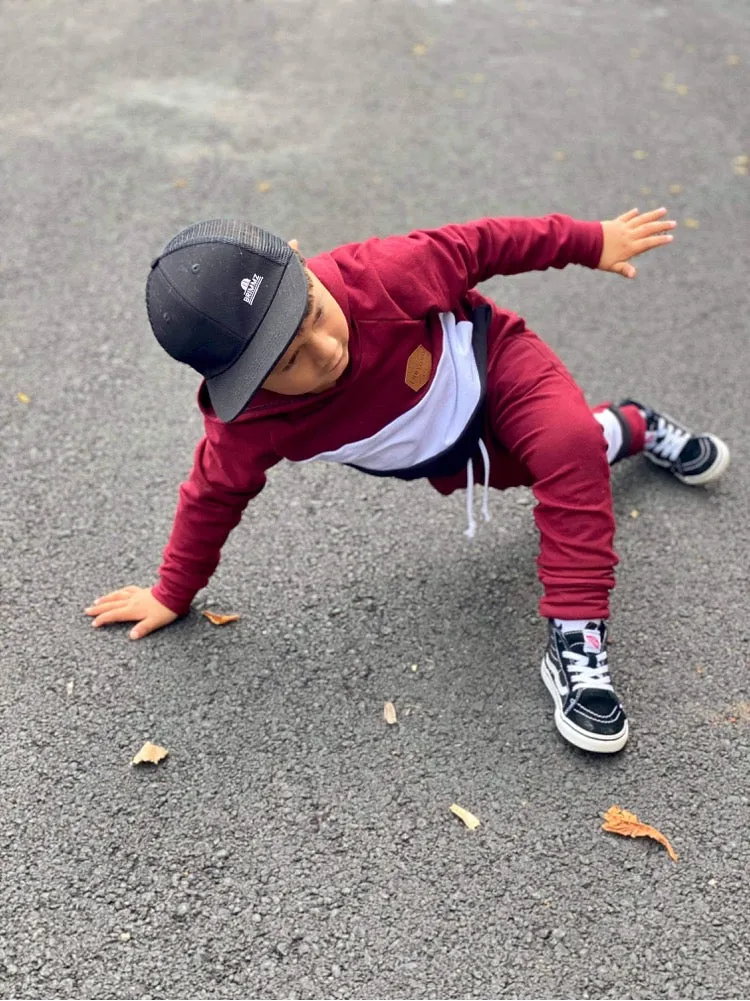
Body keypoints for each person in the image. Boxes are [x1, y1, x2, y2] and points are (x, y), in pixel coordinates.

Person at [85, 208, 730, 754]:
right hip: (446, 452)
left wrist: (591, 242)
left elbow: (483, 243)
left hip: (492, 361)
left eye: (313, 312)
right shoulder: (252, 426)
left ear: (300, 261)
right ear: (241, 388)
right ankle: (633, 426)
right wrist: (172, 591)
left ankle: (576, 641)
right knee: (566, 457)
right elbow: (211, 496)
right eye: (290, 361)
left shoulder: (384, 273)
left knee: (564, 444)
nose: (325, 350)